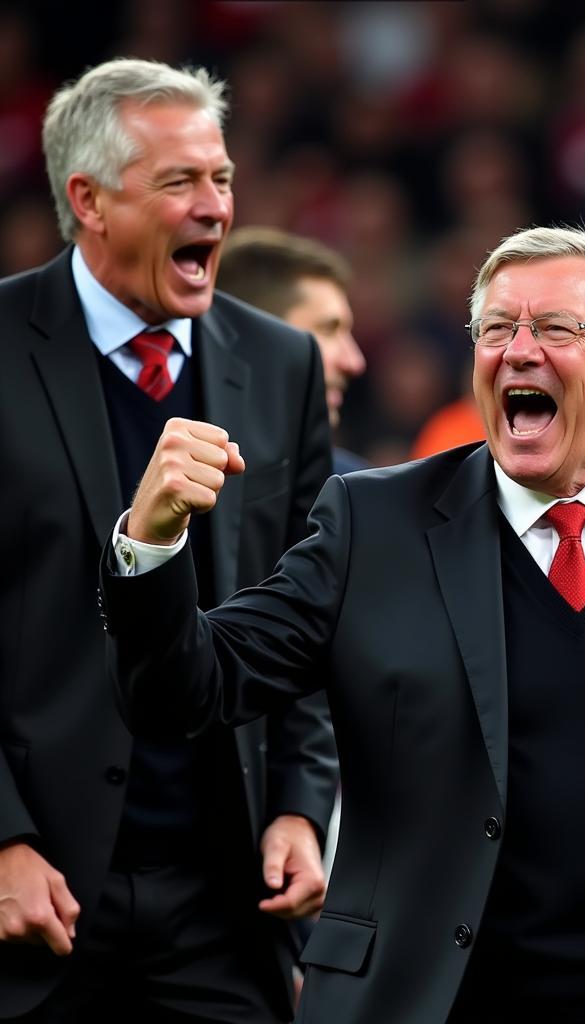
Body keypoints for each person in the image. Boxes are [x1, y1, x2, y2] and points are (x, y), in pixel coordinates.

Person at [100, 225, 585, 1024]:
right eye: (495, 329)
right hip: (431, 1002)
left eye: (555, 328)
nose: (518, 351)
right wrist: (152, 542)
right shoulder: (373, 523)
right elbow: (187, 691)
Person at [0, 58, 339, 1022]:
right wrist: (2, 843)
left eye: (222, 178)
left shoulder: (282, 365)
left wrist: (299, 806)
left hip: (225, 897)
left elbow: (311, 614)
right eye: (179, 182)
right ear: (89, 200)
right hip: (41, 895)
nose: (214, 207)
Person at [216, 226, 368, 475]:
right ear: (255, 335)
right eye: (329, 330)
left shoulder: (355, 491)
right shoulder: (170, 478)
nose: (354, 362)